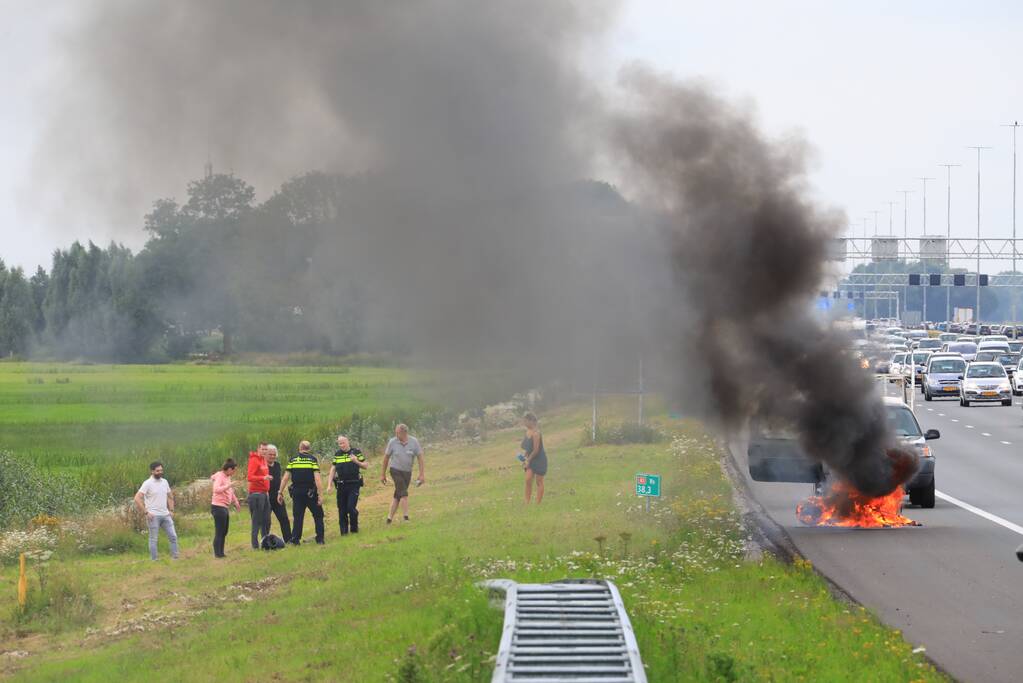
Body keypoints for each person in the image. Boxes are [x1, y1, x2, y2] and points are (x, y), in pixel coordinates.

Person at [277, 441, 325, 545]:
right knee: (318, 515)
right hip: (310, 492)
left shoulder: (293, 460)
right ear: (309, 449)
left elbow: (285, 478)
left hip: (297, 492)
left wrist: (280, 492)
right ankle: (320, 539)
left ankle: (295, 539)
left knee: (298, 516)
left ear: (299, 448)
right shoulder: (312, 460)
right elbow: (317, 479)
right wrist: (321, 495)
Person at [134, 461, 179, 560]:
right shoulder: (147, 483)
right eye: (158, 471)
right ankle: (154, 560)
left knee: (173, 536)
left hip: (166, 515)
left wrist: (171, 510)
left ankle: (175, 558)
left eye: (161, 470)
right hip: (153, 516)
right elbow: (137, 498)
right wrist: (146, 512)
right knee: (153, 539)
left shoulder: (165, 482)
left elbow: (170, 496)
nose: (160, 472)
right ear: (152, 471)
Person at [381, 423, 424, 524]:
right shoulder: (392, 442)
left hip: (407, 472)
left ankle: (389, 519)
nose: (396, 435)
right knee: (404, 493)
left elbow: (420, 457)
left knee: (398, 495)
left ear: (404, 433)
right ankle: (406, 518)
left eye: (398, 433)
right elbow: (386, 458)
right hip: (395, 470)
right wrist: (383, 474)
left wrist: (421, 474)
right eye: (395, 433)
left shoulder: (414, 442)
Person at [326, 435, 367, 535]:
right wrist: (329, 484)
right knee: (342, 509)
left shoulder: (356, 452)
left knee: (351, 507)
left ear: (348, 442)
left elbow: (365, 466)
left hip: (354, 484)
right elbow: (333, 469)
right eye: (339, 443)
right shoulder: (337, 454)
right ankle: (344, 532)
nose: (341, 445)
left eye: (343, 443)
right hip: (341, 485)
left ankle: (354, 528)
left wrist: (356, 461)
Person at [210, 458, 242, 558]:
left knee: (224, 531)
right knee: (219, 531)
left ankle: (221, 552)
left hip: (224, 507)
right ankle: (217, 554)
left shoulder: (227, 477)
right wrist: (229, 485)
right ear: (229, 469)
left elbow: (230, 491)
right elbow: (216, 489)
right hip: (218, 506)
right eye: (234, 470)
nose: (234, 472)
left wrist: (235, 501)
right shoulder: (220, 476)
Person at [246, 443, 273, 550]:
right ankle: (255, 546)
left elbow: (263, 475)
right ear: (258, 449)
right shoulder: (254, 460)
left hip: (264, 493)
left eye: (266, 449)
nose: (264, 451)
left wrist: (266, 479)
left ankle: (265, 543)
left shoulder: (263, 460)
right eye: (263, 449)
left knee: (267, 520)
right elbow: (250, 477)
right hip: (256, 494)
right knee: (256, 521)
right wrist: (263, 478)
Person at [265, 444, 292, 540]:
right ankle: (265, 541)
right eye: (270, 454)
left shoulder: (277, 465)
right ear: (265, 454)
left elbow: (280, 479)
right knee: (266, 522)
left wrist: (280, 492)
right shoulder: (262, 466)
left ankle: (288, 540)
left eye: (274, 454)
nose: (272, 456)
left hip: (277, 496)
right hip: (266, 497)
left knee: (284, 519)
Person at [521, 412, 547, 504]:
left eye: (525, 421)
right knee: (528, 480)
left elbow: (536, 450)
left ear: (531, 421)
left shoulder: (536, 433)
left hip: (539, 459)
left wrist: (528, 460)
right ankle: (526, 502)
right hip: (529, 459)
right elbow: (527, 448)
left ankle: (538, 504)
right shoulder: (527, 432)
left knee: (539, 481)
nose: (524, 423)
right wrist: (524, 457)